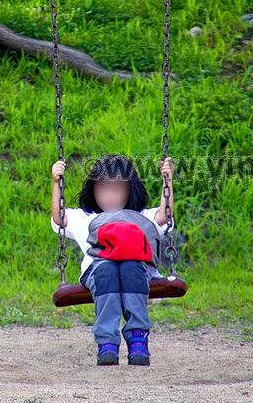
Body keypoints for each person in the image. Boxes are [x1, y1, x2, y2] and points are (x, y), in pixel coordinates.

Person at [50, 154, 174, 366]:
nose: (110, 195)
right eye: (104, 188)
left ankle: (137, 338)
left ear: (129, 190)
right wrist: (56, 183)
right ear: (93, 190)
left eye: (117, 189)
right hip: (99, 273)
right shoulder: (85, 217)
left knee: (130, 267)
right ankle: (107, 343)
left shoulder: (140, 215)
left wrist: (168, 181)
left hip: (135, 271)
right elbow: (59, 218)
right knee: (106, 269)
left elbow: (165, 216)